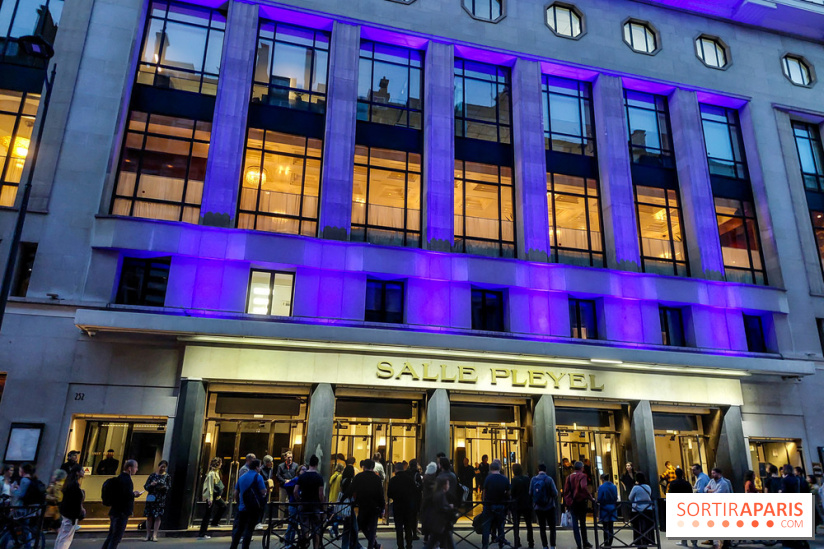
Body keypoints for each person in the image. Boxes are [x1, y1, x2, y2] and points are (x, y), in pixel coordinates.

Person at [102, 460, 141, 549]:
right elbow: (125, 495)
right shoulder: (127, 480)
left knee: (111, 536)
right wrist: (134, 494)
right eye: (136, 467)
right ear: (130, 468)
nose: (137, 469)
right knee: (116, 538)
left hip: (115, 510)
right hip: (122, 512)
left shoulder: (120, 478)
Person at [230, 459, 267, 549]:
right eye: (260, 466)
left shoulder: (242, 477)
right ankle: (245, 547)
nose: (260, 468)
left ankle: (233, 546)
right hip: (253, 507)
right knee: (249, 529)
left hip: (242, 507)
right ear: (257, 467)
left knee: (240, 528)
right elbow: (263, 491)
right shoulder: (258, 477)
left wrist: (239, 503)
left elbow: (235, 492)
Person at [348, 459, 385, 549]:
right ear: (373, 467)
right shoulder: (377, 479)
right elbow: (380, 494)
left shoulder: (359, 476)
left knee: (361, 525)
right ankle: (372, 546)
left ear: (364, 467)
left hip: (363, 506)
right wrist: (382, 507)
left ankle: (374, 545)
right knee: (372, 529)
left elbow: (351, 489)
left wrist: (343, 499)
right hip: (374, 507)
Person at [564, 461, 595, 549]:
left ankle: (578, 544)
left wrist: (568, 501)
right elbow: (584, 487)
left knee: (575, 524)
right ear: (582, 468)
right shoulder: (582, 476)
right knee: (582, 523)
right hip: (581, 501)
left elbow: (566, 491)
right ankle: (585, 542)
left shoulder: (569, 477)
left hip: (572, 502)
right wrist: (590, 497)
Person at [297, 455, 326, 549]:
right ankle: (316, 547)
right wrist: (322, 505)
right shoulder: (319, 477)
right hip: (315, 504)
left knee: (304, 528)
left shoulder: (302, 477)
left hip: (304, 503)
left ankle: (305, 545)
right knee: (316, 528)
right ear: (317, 464)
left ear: (309, 464)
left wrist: (299, 500)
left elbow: (295, 491)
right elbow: (320, 494)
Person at [481, 460, 510, 549]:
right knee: (501, 525)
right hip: (501, 504)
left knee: (486, 526)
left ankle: (485, 545)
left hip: (489, 504)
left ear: (490, 468)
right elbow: (509, 492)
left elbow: (484, 492)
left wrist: (483, 502)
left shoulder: (488, 478)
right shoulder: (504, 478)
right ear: (499, 468)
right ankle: (501, 542)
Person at [54, 465, 85, 549]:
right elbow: (75, 501)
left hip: (66, 513)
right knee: (66, 537)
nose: (84, 472)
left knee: (62, 535)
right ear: (77, 473)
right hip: (71, 515)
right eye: (82, 470)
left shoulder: (69, 483)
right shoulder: (74, 485)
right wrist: (79, 514)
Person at [388, 461, 417, 549]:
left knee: (399, 527)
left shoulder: (393, 480)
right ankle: (409, 544)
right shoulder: (409, 479)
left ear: (396, 469)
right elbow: (414, 492)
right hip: (408, 506)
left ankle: (400, 545)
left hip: (398, 505)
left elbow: (389, 494)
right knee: (408, 526)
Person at [529, 463, 557, 549]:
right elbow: (555, 493)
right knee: (552, 527)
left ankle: (545, 546)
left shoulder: (533, 479)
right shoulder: (549, 479)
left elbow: (530, 493)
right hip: (549, 506)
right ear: (546, 470)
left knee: (542, 527)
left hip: (538, 507)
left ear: (538, 470)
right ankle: (553, 545)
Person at [423, 476, 456, 549]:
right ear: (444, 485)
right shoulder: (440, 495)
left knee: (432, 543)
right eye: (447, 484)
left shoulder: (437, 494)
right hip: (440, 524)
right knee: (434, 543)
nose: (449, 486)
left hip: (439, 524)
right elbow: (442, 508)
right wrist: (450, 508)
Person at [143, 460, 171, 542]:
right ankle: (148, 534)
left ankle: (155, 535)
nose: (162, 468)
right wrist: (151, 485)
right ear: (158, 466)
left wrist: (163, 487)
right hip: (151, 497)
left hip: (160, 499)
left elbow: (168, 487)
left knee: (158, 516)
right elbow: (146, 486)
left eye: (164, 467)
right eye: (161, 466)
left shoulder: (167, 477)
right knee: (149, 516)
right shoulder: (152, 476)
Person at [198, 457, 226, 539]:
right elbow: (210, 486)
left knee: (223, 506)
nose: (221, 465)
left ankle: (214, 522)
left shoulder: (216, 472)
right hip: (212, 495)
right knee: (207, 514)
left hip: (215, 495)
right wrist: (210, 498)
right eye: (220, 463)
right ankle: (202, 533)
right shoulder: (211, 474)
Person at [628, 472, 654, 549]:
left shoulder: (635, 488)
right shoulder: (648, 487)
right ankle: (647, 541)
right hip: (648, 509)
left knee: (637, 527)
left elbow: (630, 498)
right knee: (647, 526)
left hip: (637, 509)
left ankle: (639, 542)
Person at [510, 463, 533, 549]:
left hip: (517, 504)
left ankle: (517, 541)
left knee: (516, 524)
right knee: (529, 524)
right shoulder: (527, 479)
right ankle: (531, 542)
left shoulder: (514, 480)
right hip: (527, 503)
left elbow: (512, 492)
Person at [339, 465, 359, 549]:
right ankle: (354, 545)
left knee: (348, 527)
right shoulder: (348, 481)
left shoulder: (343, 480)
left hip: (345, 504)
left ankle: (349, 545)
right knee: (353, 527)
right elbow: (348, 492)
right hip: (348, 505)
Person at [597, 473, 618, 549]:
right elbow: (616, 497)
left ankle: (606, 543)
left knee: (605, 527)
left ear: (602, 479)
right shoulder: (614, 486)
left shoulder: (601, 487)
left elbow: (599, 498)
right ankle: (610, 543)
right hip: (612, 507)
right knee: (611, 526)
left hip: (604, 508)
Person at [277, 452, 299, 517]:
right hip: (283, 486)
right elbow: (278, 475)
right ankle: (280, 521)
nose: (290, 459)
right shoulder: (281, 466)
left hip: (292, 487)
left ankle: (291, 519)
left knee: (292, 503)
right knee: (281, 503)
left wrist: (291, 481)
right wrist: (284, 481)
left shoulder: (295, 465)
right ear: (285, 457)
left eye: (291, 457)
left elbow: (297, 475)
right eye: (288, 457)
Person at [406, 459, 422, 540]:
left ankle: (408, 533)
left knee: (408, 515)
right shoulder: (417, 474)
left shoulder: (406, 473)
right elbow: (420, 487)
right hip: (415, 498)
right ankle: (414, 533)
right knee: (414, 516)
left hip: (407, 497)